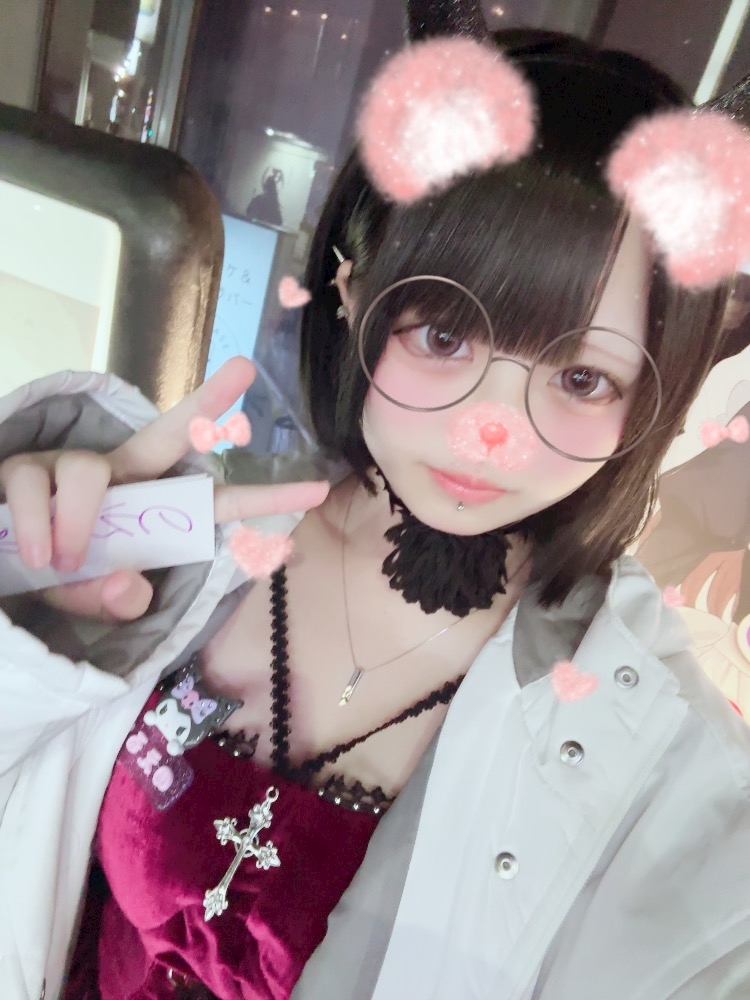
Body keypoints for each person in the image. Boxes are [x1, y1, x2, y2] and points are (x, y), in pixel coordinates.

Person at [1, 14, 750, 1000]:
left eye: (581, 379)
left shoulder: (667, 770)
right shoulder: (182, 541)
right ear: (354, 292)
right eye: (443, 337)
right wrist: (25, 620)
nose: (491, 434)